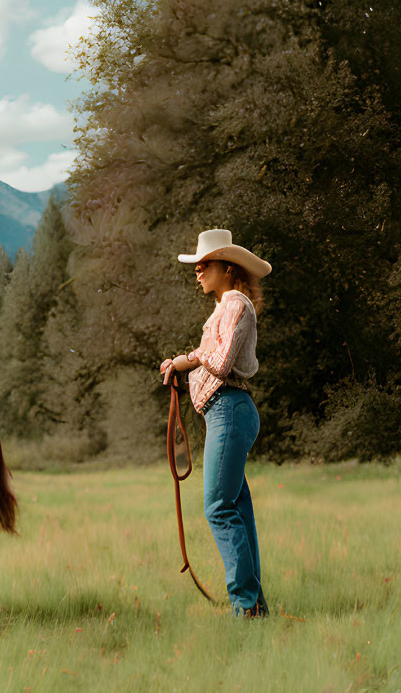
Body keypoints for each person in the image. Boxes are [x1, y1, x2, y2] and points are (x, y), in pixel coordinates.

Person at [160, 228, 271, 618]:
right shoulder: (224, 307)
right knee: (236, 509)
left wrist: (188, 357)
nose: (198, 271)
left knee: (219, 509)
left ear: (227, 267)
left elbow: (220, 362)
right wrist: (178, 364)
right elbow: (210, 354)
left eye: (204, 264)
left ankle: (246, 607)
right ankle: (254, 606)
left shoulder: (235, 305)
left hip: (229, 410)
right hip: (225, 413)